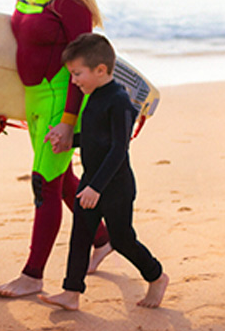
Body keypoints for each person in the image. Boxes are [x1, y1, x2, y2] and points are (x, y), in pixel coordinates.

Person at [0, 0, 112, 298]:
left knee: (44, 183)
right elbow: (18, 46)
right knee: (61, 183)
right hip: (33, 99)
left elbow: (83, 71)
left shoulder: (71, 3)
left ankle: (32, 275)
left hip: (60, 100)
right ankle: (105, 238)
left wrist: (68, 123)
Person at [40, 33, 168, 310]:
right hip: (92, 181)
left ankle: (156, 276)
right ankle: (71, 293)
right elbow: (94, 137)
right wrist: (67, 143)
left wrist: (96, 187)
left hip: (115, 186)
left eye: (77, 74)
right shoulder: (94, 95)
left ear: (100, 70)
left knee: (122, 240)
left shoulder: (120, 101)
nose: (74, 81)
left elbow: (118, 148)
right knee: (80, 237)